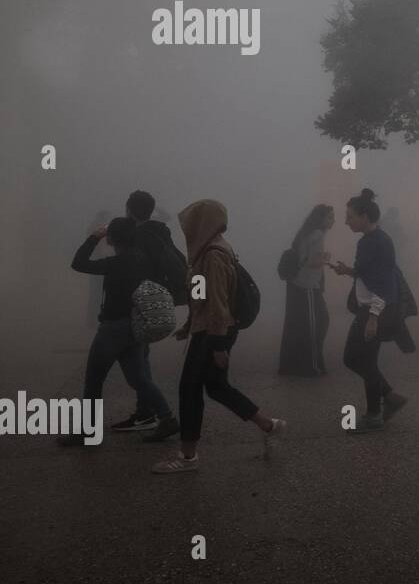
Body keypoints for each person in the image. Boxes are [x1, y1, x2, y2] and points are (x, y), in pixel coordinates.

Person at [151, 200, 286, 474]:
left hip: (215, 331)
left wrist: (218, 344)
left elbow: (218, 302)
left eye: (191, 222)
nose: (187, 229)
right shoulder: (207, 251)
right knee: (216, 387)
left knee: (189, 389)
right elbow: (201, 297)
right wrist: (190, 324)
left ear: (204, 223)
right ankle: (270, 425)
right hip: (210, 329)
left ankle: (188, 456)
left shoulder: (213, 253)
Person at [59, 218, 177, 445]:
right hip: (134, 326)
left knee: (94, 379)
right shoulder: (141, 259)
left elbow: (78, 263)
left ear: (112, 238)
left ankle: (88, 431)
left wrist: (94, 237)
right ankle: (167, 418)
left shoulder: (116, 262)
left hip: (113, 328)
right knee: (139, 379)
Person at [330, 189, 409, 433]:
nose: (346, 221)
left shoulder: (376, 241)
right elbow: (370, 274)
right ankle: (385, 402)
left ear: (364, 216)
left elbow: (385, 284)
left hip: (376, 310)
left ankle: (377, 412)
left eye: (350, 216)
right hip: (373, 309)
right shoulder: (372, 240)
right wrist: (348, 271)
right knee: (363, 360)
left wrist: (373, 318)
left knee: (355, 358)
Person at [125, 190, 186, 441]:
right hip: (155, 300)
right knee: (141, 358)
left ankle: (155, 413)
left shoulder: (139, 237)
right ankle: (146, 411)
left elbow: (134, 269)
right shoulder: (160, 233)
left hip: (140, 302)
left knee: (137, 363)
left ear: (129, 210)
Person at [278, 204, 334, 377]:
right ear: (321, 218)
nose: (333, 221)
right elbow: (312, 261)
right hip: (307, 285)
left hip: (296, 283)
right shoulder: (317, 234)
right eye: (330, 217)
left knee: (297, 324)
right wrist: (326, 258)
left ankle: (291, 364)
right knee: (316, 323)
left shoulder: (306, 232)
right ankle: (311, 365)